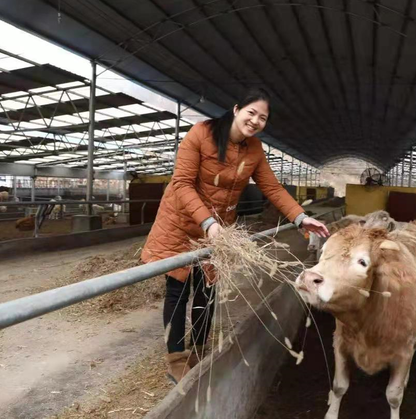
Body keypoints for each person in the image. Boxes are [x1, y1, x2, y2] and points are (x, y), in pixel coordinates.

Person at [140, 87, 329, 383]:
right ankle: (176, 359)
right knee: (178, 290)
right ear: (237, 109)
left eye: (262, 118)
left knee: (208, 288)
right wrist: (207, 223)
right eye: (251, 113)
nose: (255, 121)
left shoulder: (254, 150)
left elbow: (273, 188)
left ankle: (199, 351)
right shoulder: (200, 134)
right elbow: (182, 183)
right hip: (181, 223)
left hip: (217, 229)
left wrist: (301, 217)